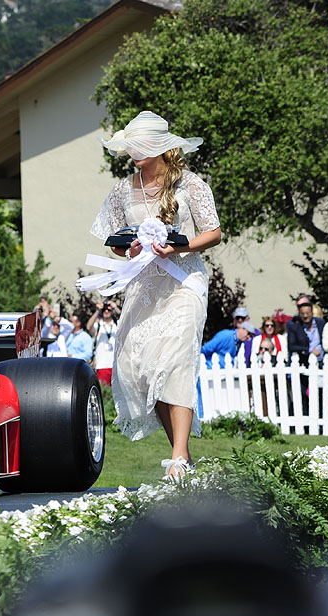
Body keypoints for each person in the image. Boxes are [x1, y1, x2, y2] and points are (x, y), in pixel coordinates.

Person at [91, 111, 221, 478]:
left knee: (175, 361)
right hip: (144, 283)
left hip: (184, 281)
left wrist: (178, 248)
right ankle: (184, 456)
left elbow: (213, 232)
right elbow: (115, 240)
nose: (135, 152)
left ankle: (178, 458)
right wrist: (129, 249)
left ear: (162, 147)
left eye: (142, 145)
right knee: (139, 369)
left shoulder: (190, 184)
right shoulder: (122, 189)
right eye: (132, 146)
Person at [286, 295, 325, 367]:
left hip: (322, 362)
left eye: (307, 313)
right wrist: (310, 350)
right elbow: (291, 346)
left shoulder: (320, 323)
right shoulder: (294, 326)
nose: (305, 316)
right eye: (302, 314)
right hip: (304, 363)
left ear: (312, 313)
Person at [87, 301, 119, 385]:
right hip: (102, 365)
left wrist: (115, 308)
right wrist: (97, 311)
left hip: (116, 366)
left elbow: (127, 320)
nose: (106, 311)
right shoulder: (98, 325)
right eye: (104, 310)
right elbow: (88, 326)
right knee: (104, 393)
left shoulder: (117, 324)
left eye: (108, 310)